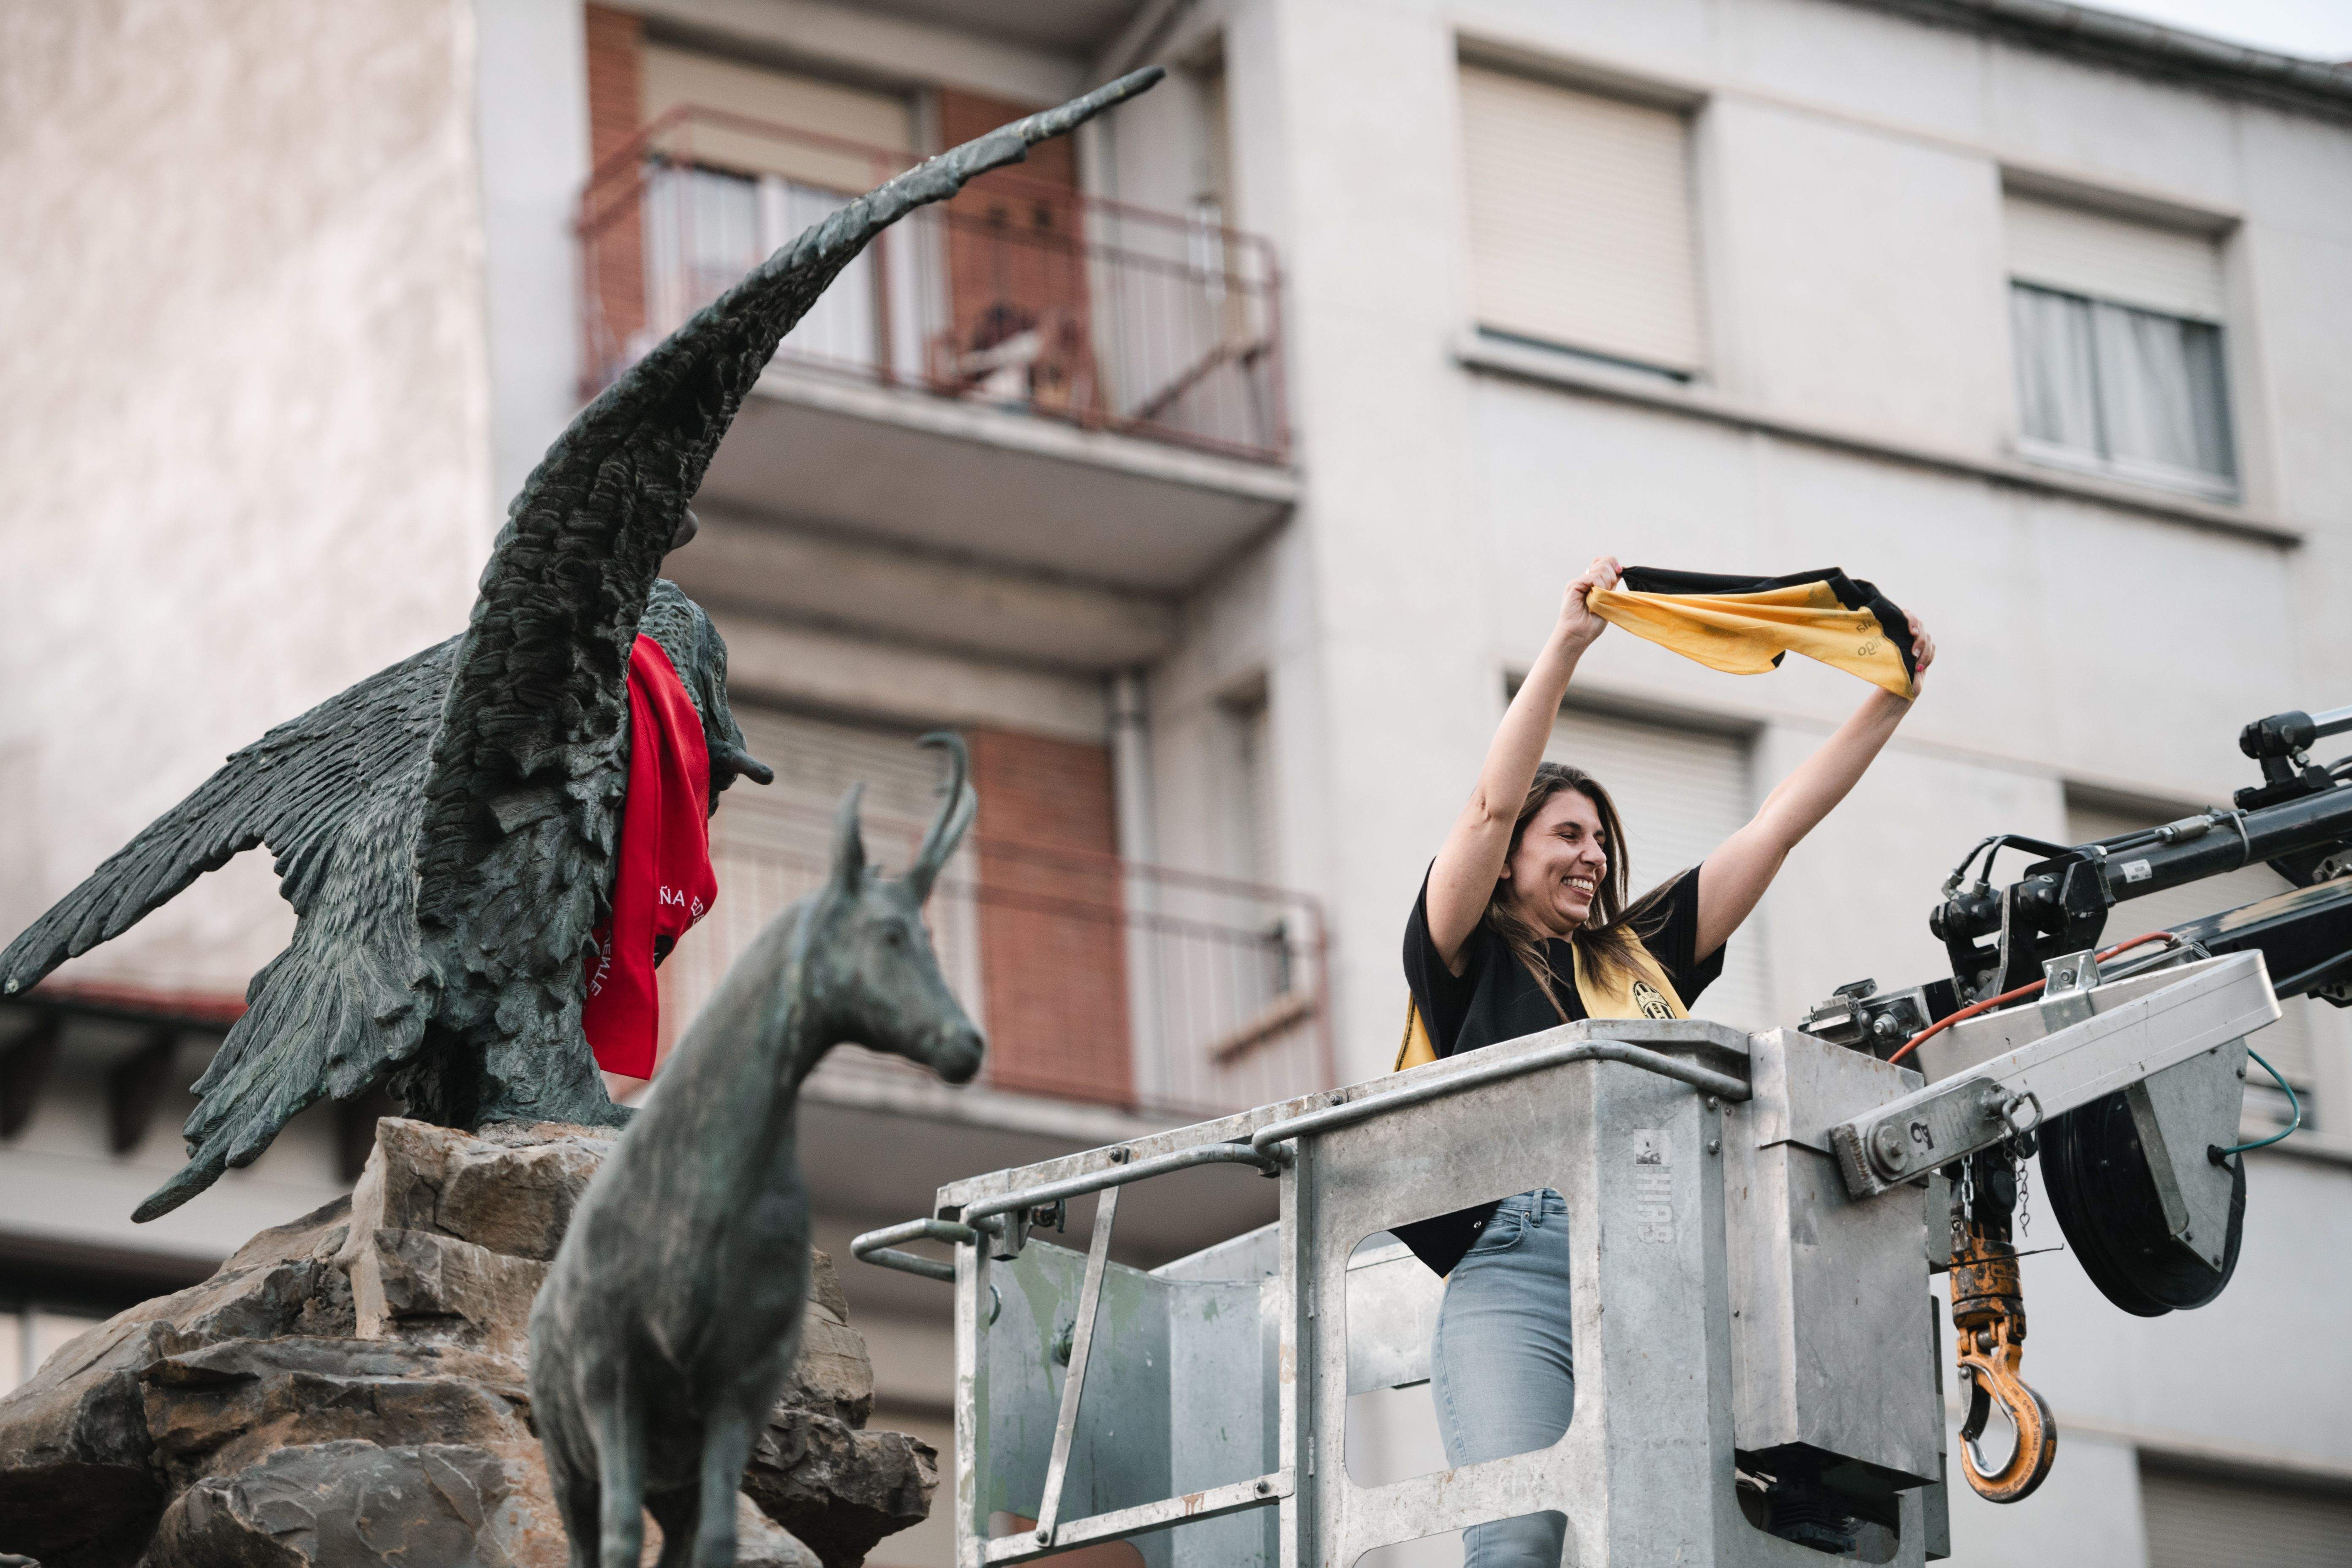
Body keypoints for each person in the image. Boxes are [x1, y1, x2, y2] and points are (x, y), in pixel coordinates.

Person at [1402, 555, 1936, 1568]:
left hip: (1664, 1269)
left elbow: (1778, 824)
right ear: (1514, 855)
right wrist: (1566, 643)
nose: (1593, 854)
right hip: (1518, 1266)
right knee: (1516, 1543)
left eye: (1602, 838)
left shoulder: (1636, 958)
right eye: (1566, 833)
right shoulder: (1462, 952)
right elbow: (1483, 808)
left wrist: (1890, 698)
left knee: (1677, 1545)